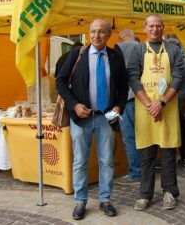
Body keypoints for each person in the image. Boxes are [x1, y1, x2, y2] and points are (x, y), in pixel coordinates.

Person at [56, 19, 128, 220]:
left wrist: (119, 106)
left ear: (109, 35)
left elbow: (124, 87)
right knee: (80, 161)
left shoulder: (115, 57)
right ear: (88, 34)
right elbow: (60, 82)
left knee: (107, 161)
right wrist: (74, 105)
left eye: (101, 32)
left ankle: (105, 200)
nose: (96, 35)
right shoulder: (77, 55)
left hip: (106, 118)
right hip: (81, 118)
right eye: (93, 32)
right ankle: (80, 201)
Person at [127, 14, 184, 211]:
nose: (155, 29)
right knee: (147, 153)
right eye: (151, 26)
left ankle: (170, 192)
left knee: (168, 151)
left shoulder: (174, 50)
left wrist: (161, 103)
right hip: (145, 108)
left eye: (158, 26)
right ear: (145, 28)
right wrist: (150, 104)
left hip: (167, 107)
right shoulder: (137, 50)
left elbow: (177, 78)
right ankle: (145, 194)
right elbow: (133, 79)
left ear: (163, 28)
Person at [114, 29, 141, 185]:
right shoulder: (142, 47)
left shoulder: (119, 47)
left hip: (128, 97)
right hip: (143, 97)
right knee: (144, 137)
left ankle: (136, 172)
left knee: (130, 137)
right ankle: (146, 168)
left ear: (120, 38)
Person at [166, 38, 185, 168]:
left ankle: (170, 158)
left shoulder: (171, 65)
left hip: (174, 100)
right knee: (184, 130)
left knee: (171, 130)